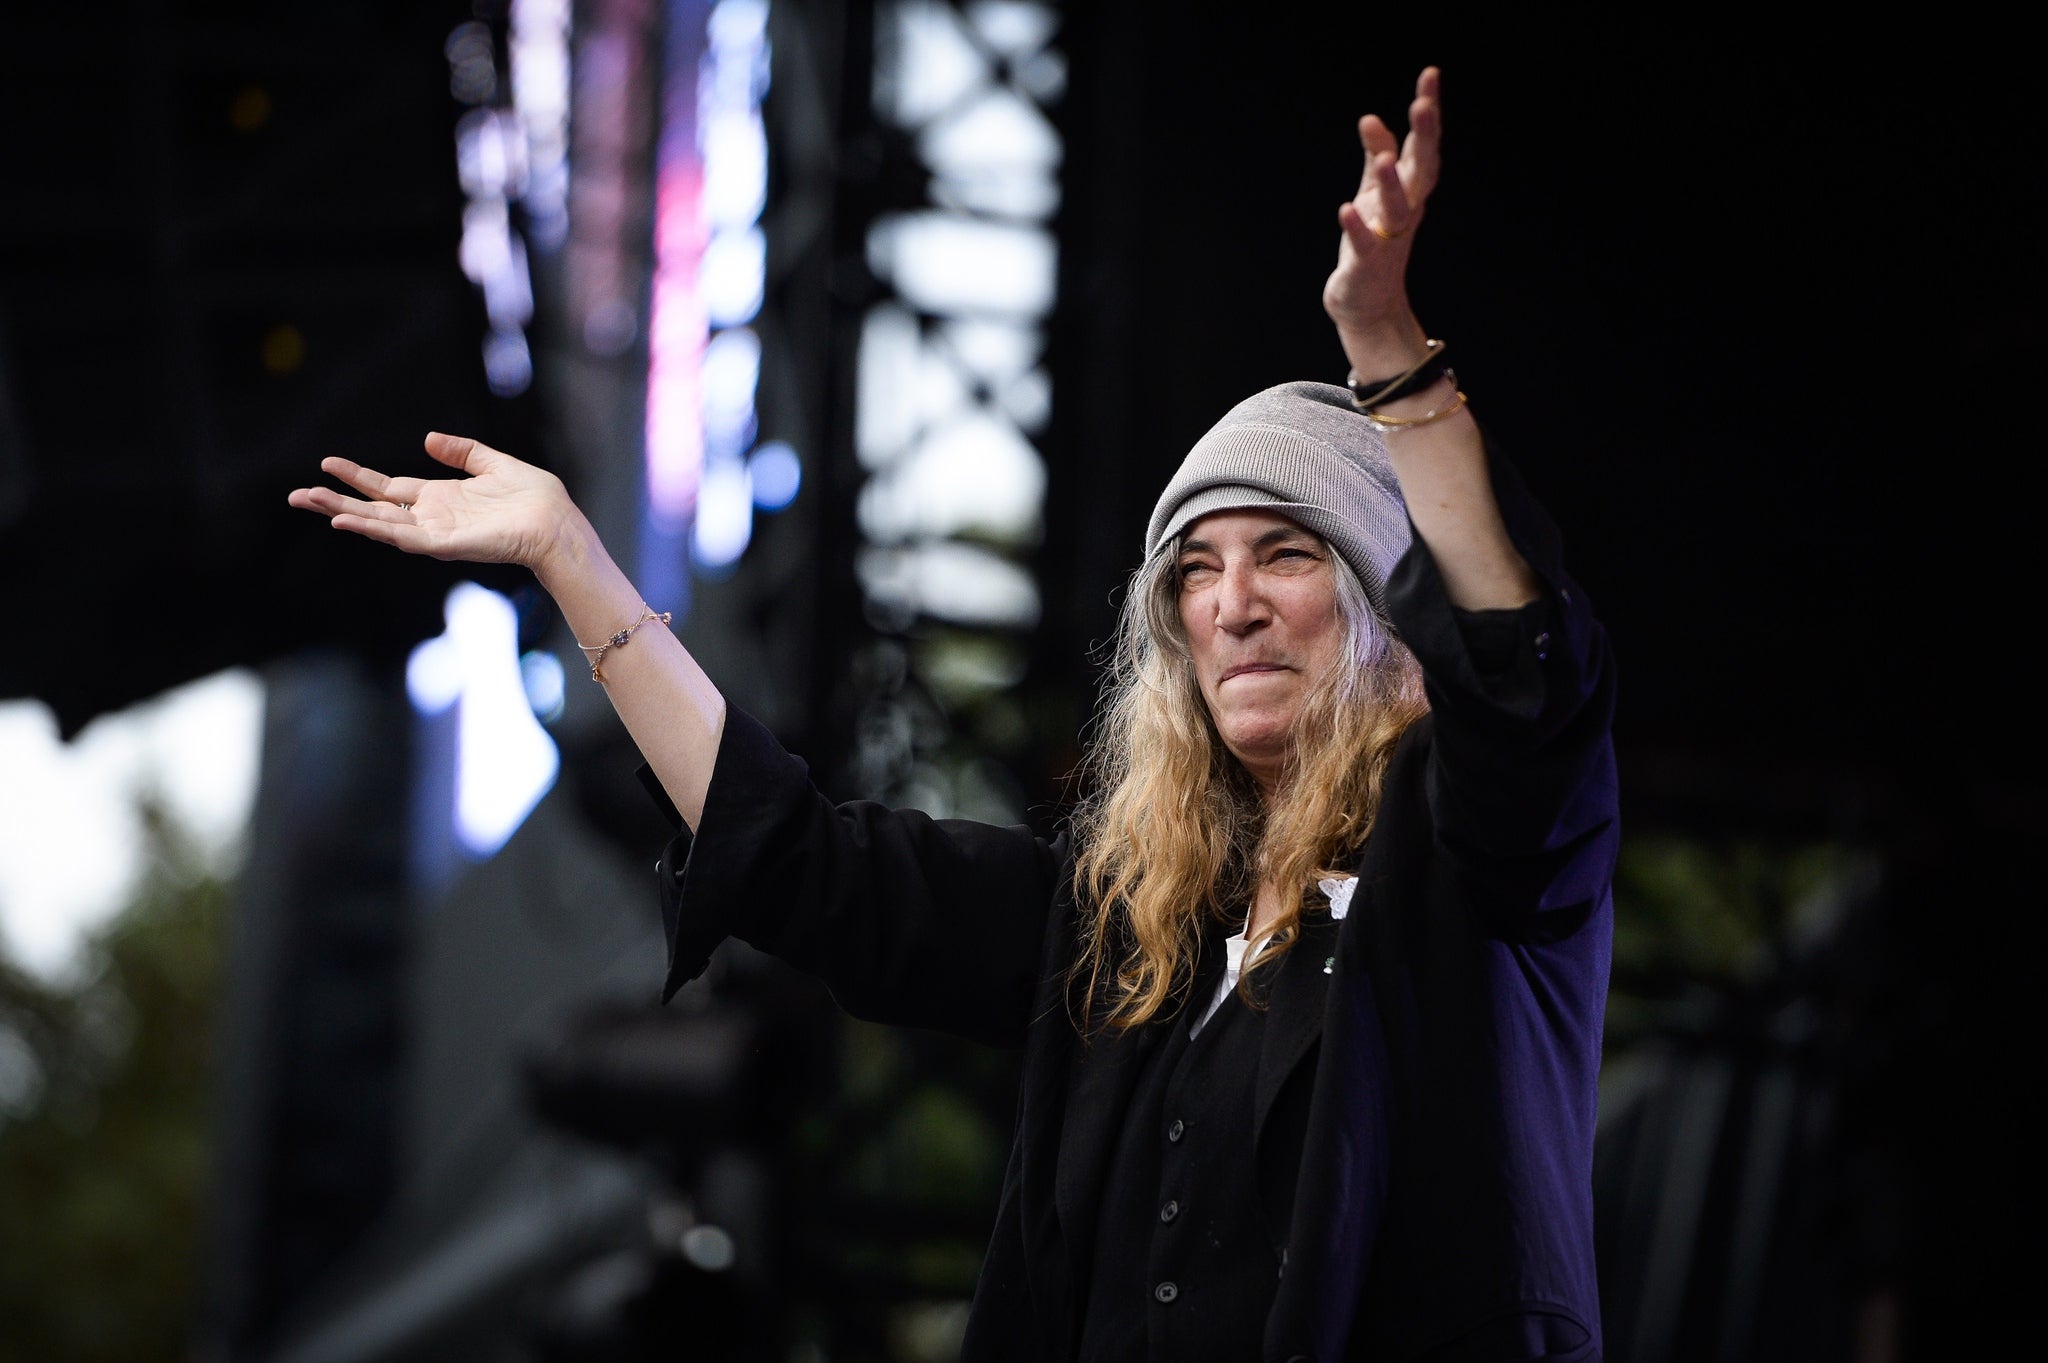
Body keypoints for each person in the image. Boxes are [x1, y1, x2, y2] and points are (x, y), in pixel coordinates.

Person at [290, 67, 1616, 1363]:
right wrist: (572, 560)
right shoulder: (1124, 934)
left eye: (1287, 555)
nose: (1232, 605)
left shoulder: (1474, 870)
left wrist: (1391, 361)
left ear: (1386, 604)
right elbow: (806, 862)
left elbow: (1519, 676)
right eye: (1195, 575)